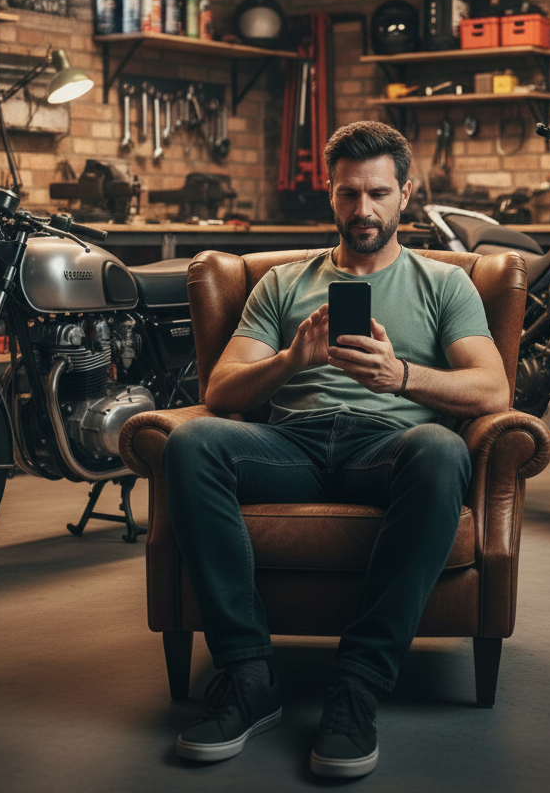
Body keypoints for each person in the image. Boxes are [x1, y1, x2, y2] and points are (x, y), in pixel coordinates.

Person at [164, 120, 510, 778]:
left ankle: (356, 684)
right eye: (349, 195)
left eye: (378, 193)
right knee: (192, 440)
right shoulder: (283, 284)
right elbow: (222, 388)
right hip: (289, 446)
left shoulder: (445, 284)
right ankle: (247, 677)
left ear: (405, 194)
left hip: (388, 450)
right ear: (331, 194)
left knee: (441, 451)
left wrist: (400, 375)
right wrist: (293, 360)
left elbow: (493, 388)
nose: (363, 210)